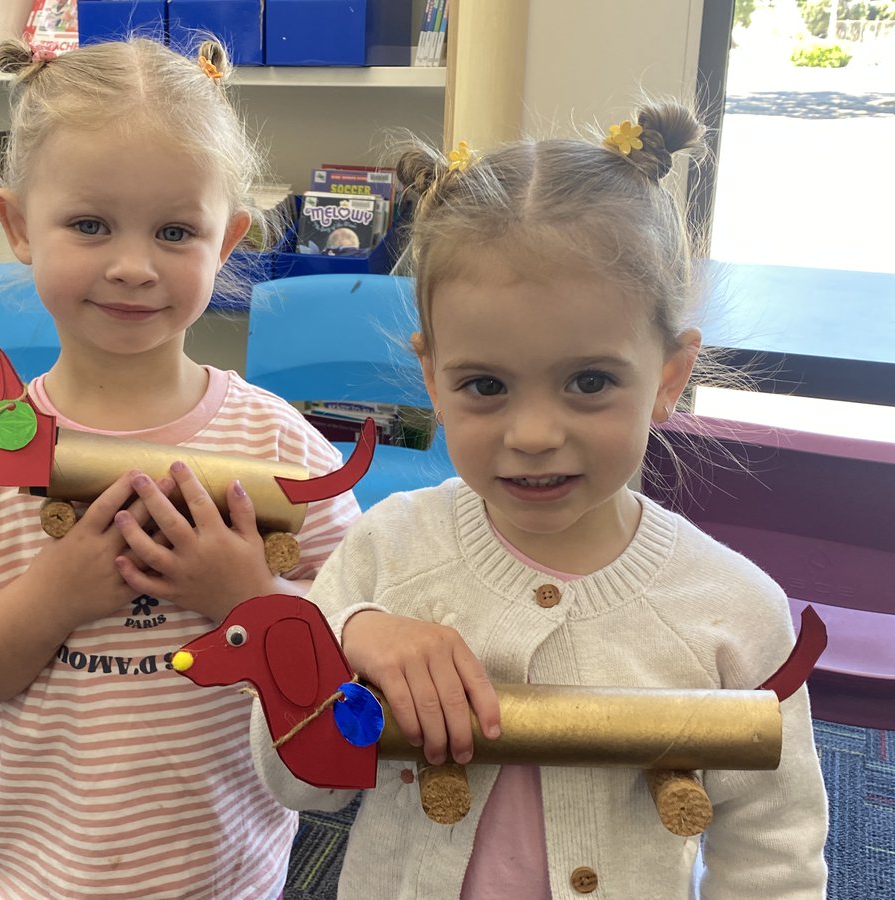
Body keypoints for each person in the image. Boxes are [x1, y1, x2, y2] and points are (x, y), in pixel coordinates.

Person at [249, 102, 829, 899]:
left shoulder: (730, 610)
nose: (531, 434)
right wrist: (350, 643)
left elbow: (777, 850)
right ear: (431, 374)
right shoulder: (387, 555)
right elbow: (296, 785)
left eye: (589, 382)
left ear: (669, 376)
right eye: (484, 386)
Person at [0, 35, 361, 899]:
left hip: (229, 869)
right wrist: (54, 594)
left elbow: (353, 649)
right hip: (42, 873)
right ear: (18, 226)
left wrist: (246, 602)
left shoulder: (277, 445)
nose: (133, 265)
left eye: (176, 231)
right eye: (90, 225)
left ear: (228, 240)